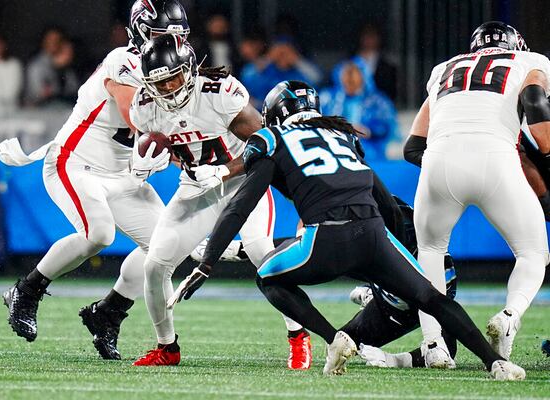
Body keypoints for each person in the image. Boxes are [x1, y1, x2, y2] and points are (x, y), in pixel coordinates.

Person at [170, 80, 526, 380]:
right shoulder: (342, 135)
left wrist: (207, 263)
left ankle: (332, 338)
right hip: (373, 235)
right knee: (432, 298)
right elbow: (380, 195)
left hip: (326, 238)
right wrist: (401, 257)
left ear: (276, 114)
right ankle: (496, 363)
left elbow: (239, 205)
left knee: (269, 277)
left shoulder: (272, 139)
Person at [0, 0, 189, 360]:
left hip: (120, 174)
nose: (173, 46)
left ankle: (109, 312)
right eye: (164, 36)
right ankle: (27, 291)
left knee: (167, 247)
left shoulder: (176, 66)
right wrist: (174, 147)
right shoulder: (124, 60)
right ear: (141, 31)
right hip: (75, 162)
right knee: (99, 233)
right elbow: (138, 120)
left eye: (179, 37)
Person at [128, 34, 310, 369]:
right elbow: (160, 148)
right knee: (154, 266)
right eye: (160, 83)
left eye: (174, 78)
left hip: (244, 180)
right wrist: (145, 163)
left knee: (260, 249)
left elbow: (268, 145)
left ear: (190, 70)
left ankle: (298, 335)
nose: (168, 88)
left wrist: (224, 171)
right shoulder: (143, 106)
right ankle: (166, 347)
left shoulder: (218, 93)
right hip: (196, 187)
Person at [404, 21, 550, 367]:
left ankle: (434, 346)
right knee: (532, 253)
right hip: (495, 157)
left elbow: (412, 147)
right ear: (517, 45)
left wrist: (451, 160)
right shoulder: (532, 61)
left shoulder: (445, 69)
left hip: (438, 159)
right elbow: (533, 99)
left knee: (430, 252)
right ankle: (509, 318)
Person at [320, 60, 400, 160]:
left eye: (353, 80)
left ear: (363, 78)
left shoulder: (378, 101)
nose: (350, 82)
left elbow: (387, 127)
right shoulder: (328, 98)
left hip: (371, 152)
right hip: (335, 151)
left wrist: (368, 131)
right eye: (347, 81)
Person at [24, 28, 80, 107]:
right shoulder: (36, 65)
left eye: (58, 40)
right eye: (50, 40)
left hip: (64, 109)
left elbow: (74, 90)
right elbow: (37, 94)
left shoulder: (67, 67)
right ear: (43, 41)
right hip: (40, 110)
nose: (54, 43)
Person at [354, 24, 398, 102]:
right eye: (366, 36)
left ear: (378, 38)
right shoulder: (350, 62)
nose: (369, 40)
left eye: (372, 36)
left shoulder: (388, 67)